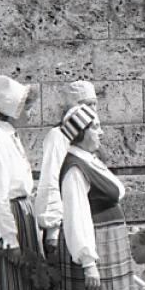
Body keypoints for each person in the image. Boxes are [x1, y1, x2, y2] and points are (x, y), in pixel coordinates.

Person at [57, 104, 144, 290]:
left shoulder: (88, 159)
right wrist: (88, 261)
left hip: (109, 239)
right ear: (81, 133)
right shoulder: (74, 167)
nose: (101, 132)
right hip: (95, 242)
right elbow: (76, 215)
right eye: (95, 127)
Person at [0, 77, 57, 290]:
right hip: (10, 218)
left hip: (23, 212)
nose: (29, 112)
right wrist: (9, 238)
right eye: (24, 106)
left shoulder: (9, 136)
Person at [34, 80, 98, 258]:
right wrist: (53, 229)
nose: (91, 109)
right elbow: (50, 178)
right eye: (86, 104)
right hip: (66, 216)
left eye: (94, 103)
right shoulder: (58, 136)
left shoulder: (92, 135)